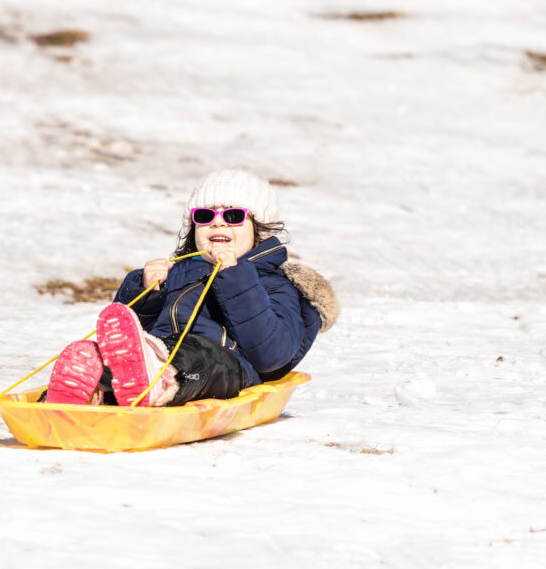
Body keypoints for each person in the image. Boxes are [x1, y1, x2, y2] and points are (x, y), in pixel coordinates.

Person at [45, 169, 338, 407]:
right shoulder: (179, 272)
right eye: (205, 216)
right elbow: (125, 335)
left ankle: (157, 380)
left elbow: (272, 353)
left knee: (201, 355)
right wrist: (144, 291)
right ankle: (88, 390)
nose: (218, 223)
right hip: (154, 355)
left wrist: (236, 277)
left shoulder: (272, 282)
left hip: (227, 369)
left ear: (259, 229)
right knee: (113, 357)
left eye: (234, 216)